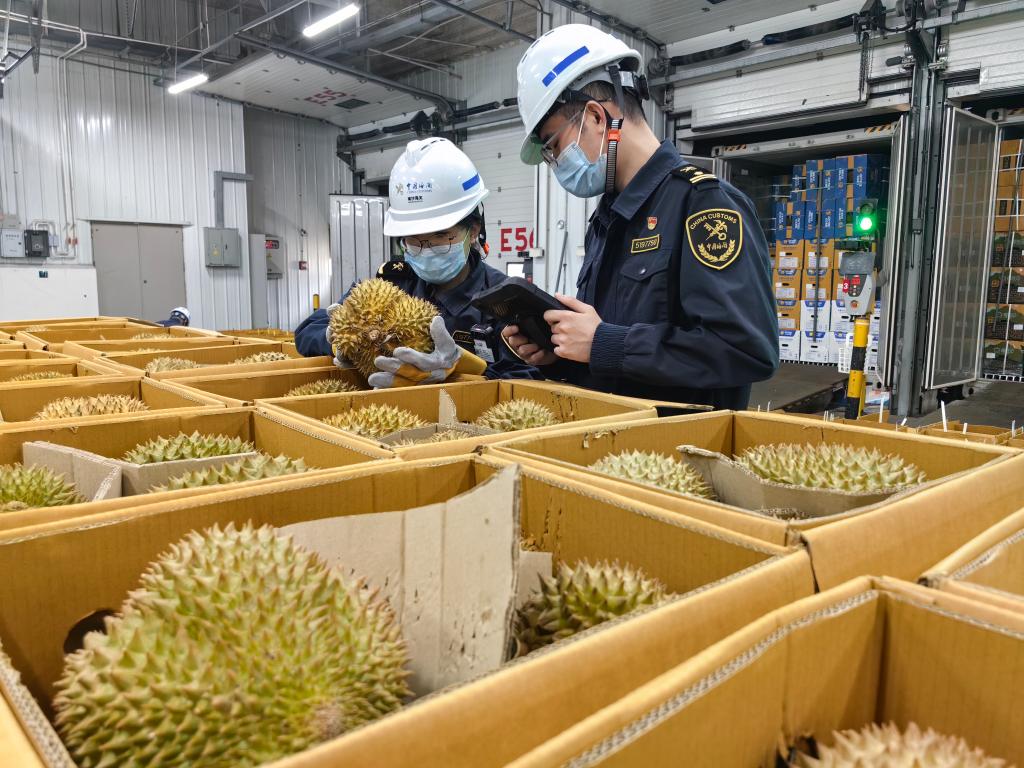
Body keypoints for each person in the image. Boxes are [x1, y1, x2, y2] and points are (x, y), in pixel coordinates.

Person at [502, 25, 779, 409]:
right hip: (612, 438)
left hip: (681, 445)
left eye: (554, 146)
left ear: (596, 117)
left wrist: (604, 343)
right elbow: (613, 361)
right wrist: (561, 355)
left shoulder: (704, 206)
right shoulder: (605, 222)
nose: (555, 164)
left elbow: (745, 351)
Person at [295, 138, 540, 386]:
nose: (426, 249)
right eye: (413, 239)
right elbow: (307, 330)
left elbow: (530, 377)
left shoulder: (506, 300)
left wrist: (462, 369)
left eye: (441, 236)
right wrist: (336, 340)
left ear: (474, 230)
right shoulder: (390, 284)